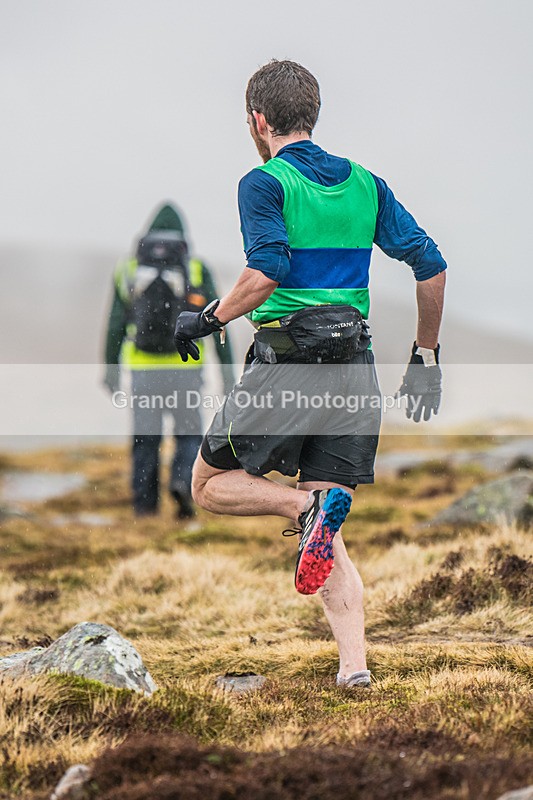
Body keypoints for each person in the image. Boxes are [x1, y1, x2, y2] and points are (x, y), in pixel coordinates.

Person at [173, 60, 446, 686]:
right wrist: (426, 357)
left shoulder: (264, 183)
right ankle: (355, 669)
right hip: (355, 370)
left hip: (289, 366)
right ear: (312, 114)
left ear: (258, 120)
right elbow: (431, 266)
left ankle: (303, 506)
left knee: (208, 486)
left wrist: (208, 318)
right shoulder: (366, 185)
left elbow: (266, 270)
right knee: (328, 527)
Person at [103, 202, 234, 518]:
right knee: (188, 434)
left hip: (143, 370)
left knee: (146, 439)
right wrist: (228, 374)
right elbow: (219, 319)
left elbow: (115, 324)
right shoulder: (197, 268)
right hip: (185, 367)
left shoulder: (129, 269)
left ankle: (145, 508)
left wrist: (111, 370)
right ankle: (182, 484)